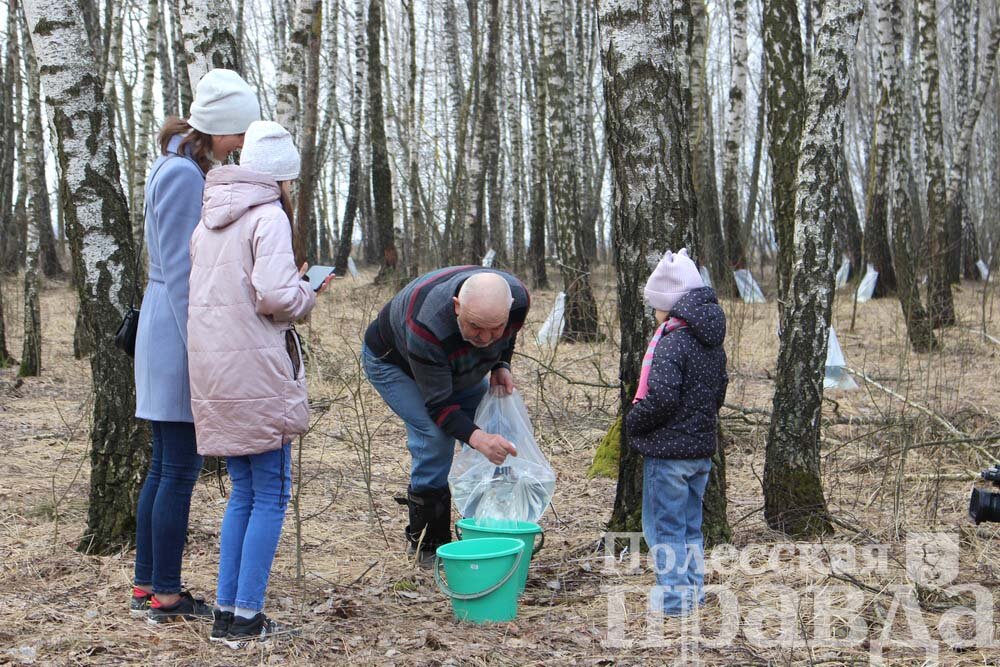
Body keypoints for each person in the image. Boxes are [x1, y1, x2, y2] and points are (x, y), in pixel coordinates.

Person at [186, 120, 328, 647]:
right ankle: (246, 617)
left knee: (243, 493)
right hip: (257, 371)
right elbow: (273, 296)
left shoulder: (208, 222)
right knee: (270, 491)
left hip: (215, 370)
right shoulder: (267, 216)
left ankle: (228, 611)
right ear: (281, 177)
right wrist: (306, 291)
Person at [132, 69, 260, 623]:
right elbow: (184, 270)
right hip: (176, 328)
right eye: (240, 133)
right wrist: (200, 345)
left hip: (161, 321)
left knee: (163, 466)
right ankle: (165, 594)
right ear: (221, 129)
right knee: (177, 469)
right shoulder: (184, 175)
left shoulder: (172, 163)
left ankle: (146, 587)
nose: (243, 144)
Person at [362, 267, 530, 560]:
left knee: (492, 429)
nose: (487, 337)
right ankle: (429, 544)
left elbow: (507, 337)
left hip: (454, 362)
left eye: (496, 328)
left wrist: (501, 364)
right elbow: (440, 405)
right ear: (456, 306)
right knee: (435, 436)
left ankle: (487, 531)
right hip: (395, 363)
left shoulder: (517, 300)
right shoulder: (426, 322)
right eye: (477, 326)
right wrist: (477, 438)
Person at [624, 248, 728, 617]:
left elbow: (662, 396)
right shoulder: (711, 342)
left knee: (664, 530)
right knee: (689, 528)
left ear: (669, 304)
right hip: (700, 452)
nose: (654, 312)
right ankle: (692, 594)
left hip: (668, 456)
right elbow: (718, 392)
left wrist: (634, 422)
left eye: (655, 305)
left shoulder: (672, 342)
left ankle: (673, 602)